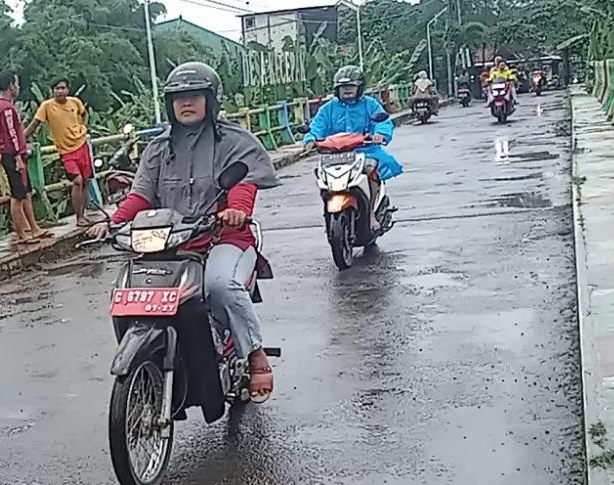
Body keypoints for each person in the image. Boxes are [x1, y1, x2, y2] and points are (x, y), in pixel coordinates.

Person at [85, 62, 281, 403]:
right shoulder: (158, 149)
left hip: (222, 237)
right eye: (178, 97)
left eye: (194, 96)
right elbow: (140, 195)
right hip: (171, 239)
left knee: (220, 285)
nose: (186, 103)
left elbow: (244, 185)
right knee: (133, 289)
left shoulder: (234, 142)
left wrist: (236, 212)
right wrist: (112, 221)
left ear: (210, 99)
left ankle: (254, 354)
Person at [302, 65, 402, 231]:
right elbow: (316, 126)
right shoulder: (328, 108)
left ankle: (371, 215)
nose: (347, 90)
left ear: (359, 87)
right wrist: (310, 139)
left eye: (351, 87)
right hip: (336, 154)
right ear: (337, 89)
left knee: (372, 171)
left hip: (365, 150)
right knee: (322, 179)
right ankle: (329, 214)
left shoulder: (370, 104)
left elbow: (383, 123)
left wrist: (380, 135)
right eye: (343, 87)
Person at [0, 70, 51, 245]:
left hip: (12, 153)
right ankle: (22, 233)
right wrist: (19, 155)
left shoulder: (0, 105)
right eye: (17, 84)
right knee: (17, 195)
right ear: (11, 85)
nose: (18, 87)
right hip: (13, 155)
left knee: (26, 192)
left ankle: (34, 228)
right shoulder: (7, 108)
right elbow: (12, 134)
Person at [26, 78, 92, 227]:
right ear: (52, 91)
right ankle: (79, 217)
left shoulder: (75, 102)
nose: (60, 91)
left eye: (63, 88)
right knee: (77, 181)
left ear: (68, 90)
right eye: (57, 88)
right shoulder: (47, 106)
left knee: (86, 181)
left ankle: (84, 213)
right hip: (66, 151)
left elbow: (84, 114)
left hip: (81, 145)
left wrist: (83, 127)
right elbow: (34, 124)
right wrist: (21, 140)